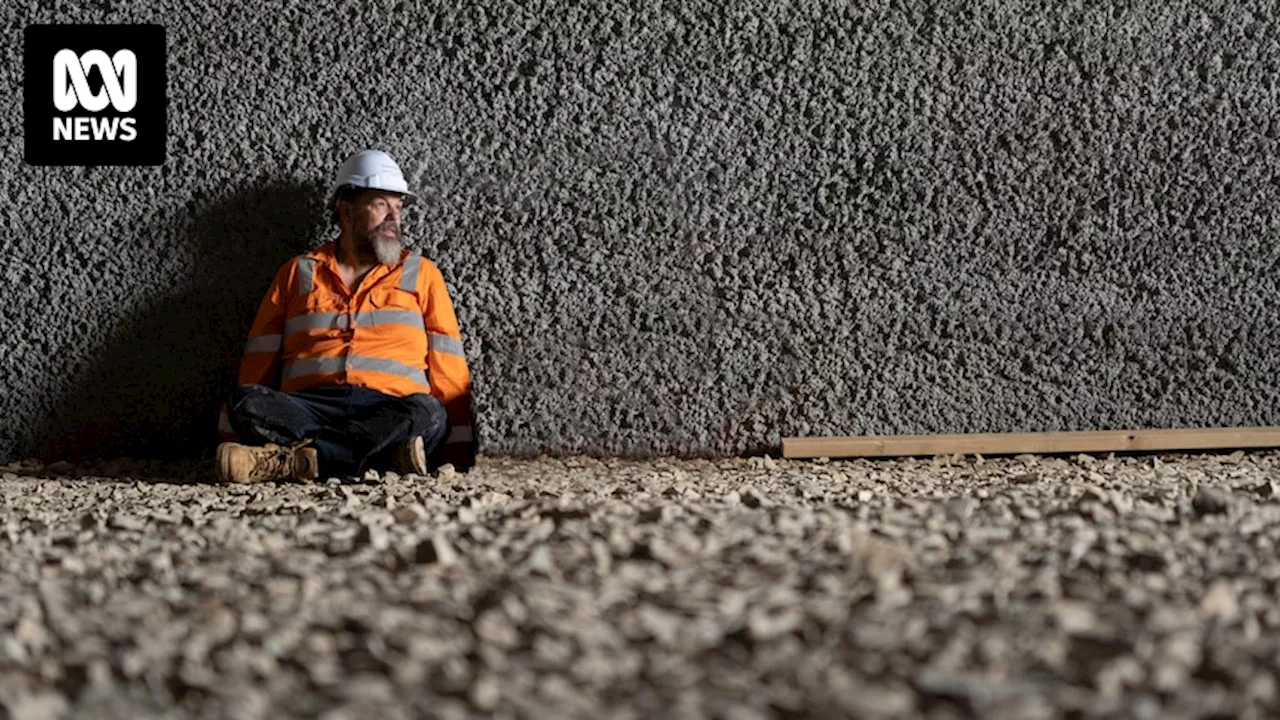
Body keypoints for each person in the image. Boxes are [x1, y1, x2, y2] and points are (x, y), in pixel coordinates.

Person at [215, 149, 474, 484]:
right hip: (309, 407)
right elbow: (260, 358)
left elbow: (448, 362)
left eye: (399, 206)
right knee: (245, 402)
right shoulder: (296, 273)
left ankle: (298, 460)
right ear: (347, 211)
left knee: (429, 413)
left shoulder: (421, 274)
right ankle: (383, 457)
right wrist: (234, 433)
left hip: (391, 408)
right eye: (381, 205)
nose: (394, 217)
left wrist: (457, 453)